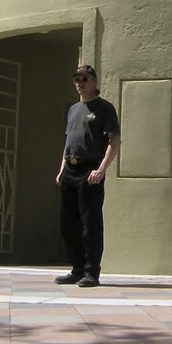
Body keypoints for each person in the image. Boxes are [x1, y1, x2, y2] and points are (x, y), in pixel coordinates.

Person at [54, 64, 121, 287]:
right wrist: (62, 169)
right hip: (70, 172)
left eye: (84, 79)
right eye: (77, 80)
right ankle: (77, 268)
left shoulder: (104, 108)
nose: (80, 84)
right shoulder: (73, 109)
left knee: (89, 223)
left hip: (90, 171)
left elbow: (114, 141)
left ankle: (92, 272)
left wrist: (101, 170)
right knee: (68, 224)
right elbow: (68, 141)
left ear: (94, 82)